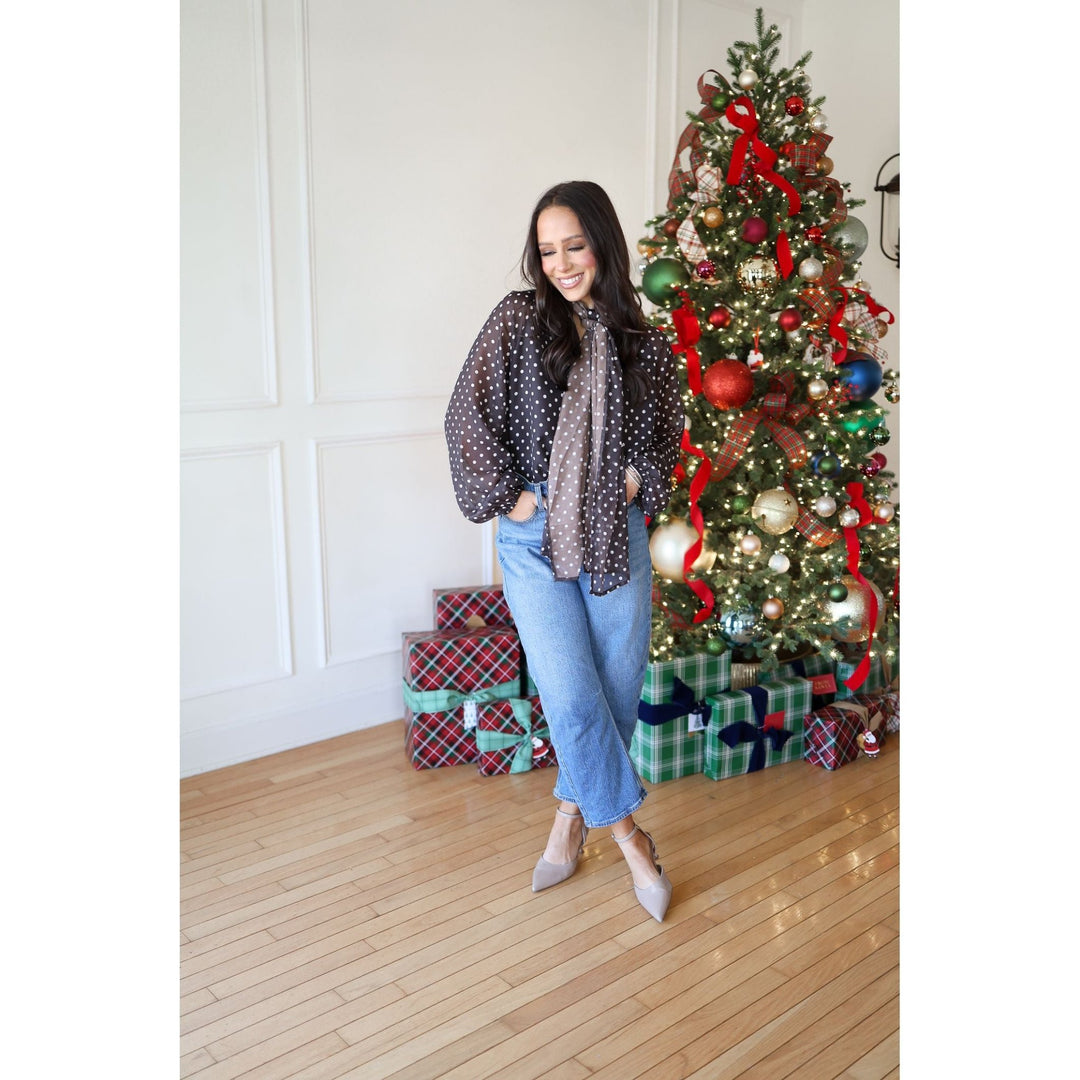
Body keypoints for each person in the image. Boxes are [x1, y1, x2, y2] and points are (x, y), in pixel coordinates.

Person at [444, 180, 685, 922]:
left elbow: (666, 428)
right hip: (533, 538)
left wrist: (638, 475)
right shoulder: (517, 321)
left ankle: (567, 819)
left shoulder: (645, 340)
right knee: (572, 697)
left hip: (616, 535)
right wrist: (516, 502)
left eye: (573, 246)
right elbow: (465, 415)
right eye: (546, 250)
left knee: (614, 692)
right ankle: (632, 840)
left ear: (602, 244)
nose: (559, 263)